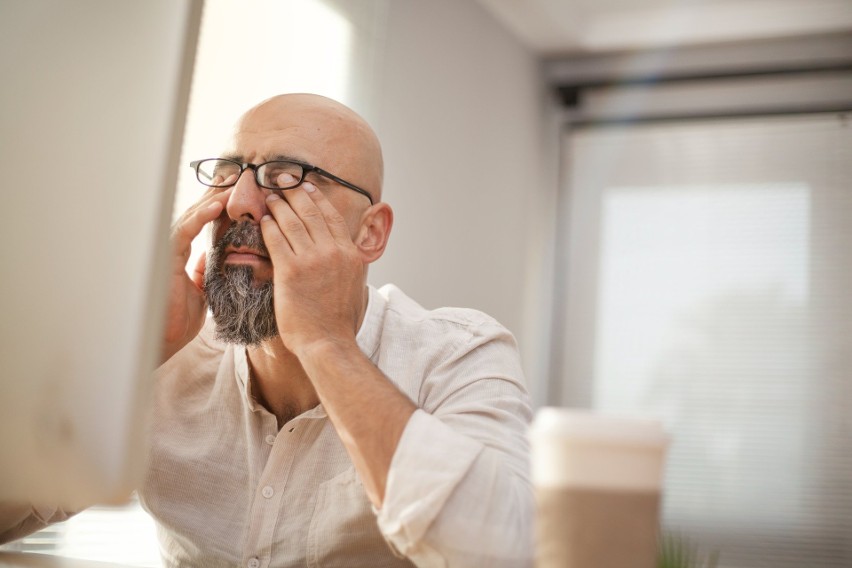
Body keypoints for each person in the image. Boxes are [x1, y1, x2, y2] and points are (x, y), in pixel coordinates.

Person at [0, 94, 533, 567]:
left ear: (370, 233)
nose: (238, 204)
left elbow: (502, 553)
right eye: (230, 174)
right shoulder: (169, 354)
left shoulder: (459, 353)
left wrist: (326, 344)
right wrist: (135, 357)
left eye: (286, 178)